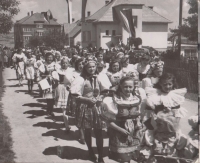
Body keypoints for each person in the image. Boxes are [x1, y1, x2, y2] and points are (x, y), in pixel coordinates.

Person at [70, 56, 111, 163]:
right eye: (89, 67)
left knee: (99, 132)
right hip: (85, 106)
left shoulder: (100, 77)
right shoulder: (80, 79)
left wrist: (100, 98)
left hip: (97, 106)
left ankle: (101, 156)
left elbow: (105, 91)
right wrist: (87, 100)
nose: (92, 69)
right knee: (87, 130)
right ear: (85, 68)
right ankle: (91, 152)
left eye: (93, 66)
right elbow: (75, 95)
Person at [101, 76, 146, 163]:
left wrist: (140, 124)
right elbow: (108, 121)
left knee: (131, 156)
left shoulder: (136, 99)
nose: (128, 89)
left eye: (130, 87)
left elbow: (138, 115)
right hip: (118, 132)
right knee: (122, 158)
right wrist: (120, 129)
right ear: (120, 86)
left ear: (134, 87)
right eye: (125, 86)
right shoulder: (113, 100)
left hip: (134, 133)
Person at [53, 57, 74, 132]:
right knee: (64, 107)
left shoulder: (72, 71)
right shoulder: (58, 71)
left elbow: (74, 80)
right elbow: (55, 81)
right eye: (63, 63)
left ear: (68, 63)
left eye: (66, 63)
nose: (64, 64)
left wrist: (71, 85)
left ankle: (67, 122)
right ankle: (67, 125)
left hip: (70, 89)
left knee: (71, 107)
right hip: (62, 89)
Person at [38, 52, 60, 117]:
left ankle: (51, 110)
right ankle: (48, 110)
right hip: (46, 82)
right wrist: (45, 75)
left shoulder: (55, 65)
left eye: (51, 57)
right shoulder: (43, 65)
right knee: (48, 97)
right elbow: (41, 74)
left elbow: (59, 72)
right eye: (48, 57)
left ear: (53, 58)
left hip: (54, 82)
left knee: (53, 97)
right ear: (46, 58)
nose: (49, 59)